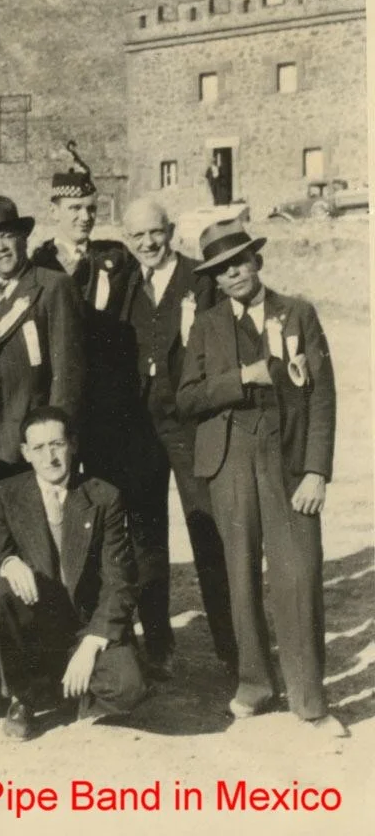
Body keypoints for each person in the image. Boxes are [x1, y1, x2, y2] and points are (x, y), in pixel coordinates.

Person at [176, 219, 345, 737]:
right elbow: (187, 399)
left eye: (241, 262)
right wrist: (239, 380)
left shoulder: (298, 313)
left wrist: (316, 470)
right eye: (223, 270)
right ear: (215, 279)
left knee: (298, 575)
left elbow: (322, 397)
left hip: (288, 462)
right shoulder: (205, 325)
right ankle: (254, 683)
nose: (234, 274)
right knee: (241, 575)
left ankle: (311, 701)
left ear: (258, 262)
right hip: (229, 462)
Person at [119, 196, 234, 678]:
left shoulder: (200, 280)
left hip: (189, 427)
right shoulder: (125, 284)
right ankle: (159, 646)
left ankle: (232, 649)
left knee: (207, 531)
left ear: (170, 231)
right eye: (137, 236)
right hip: (141, 430)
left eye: (155, 232)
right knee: (146, 538)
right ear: (128, 240)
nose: (148, 243)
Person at [0, 407, 146, 740]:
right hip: (38, 627)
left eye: (56, 444)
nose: (50, 457)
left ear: (72, 444)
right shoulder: (4, 495)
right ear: (25, 453)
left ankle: (60, 691)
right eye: (38, 448)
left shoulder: (104, 497)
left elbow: (120, 580)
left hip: (86, 623)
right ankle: (23, 695)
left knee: (130, 689)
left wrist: (90, 645)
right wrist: (9, 563)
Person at [0, 195, 84, 528]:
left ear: (23, 239)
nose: (0, 247)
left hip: (27, 446)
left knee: (36, 539)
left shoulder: (52, 287)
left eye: (7, 236)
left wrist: (53, 444)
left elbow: (67, 375)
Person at [28, 146, 141, 519]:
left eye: (91, 209)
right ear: (54, 210)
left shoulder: (115, 258)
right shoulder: (38, 264)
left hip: (107, 403)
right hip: (57, 399)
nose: (85, 217)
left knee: (107, 498)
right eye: (75, 209)